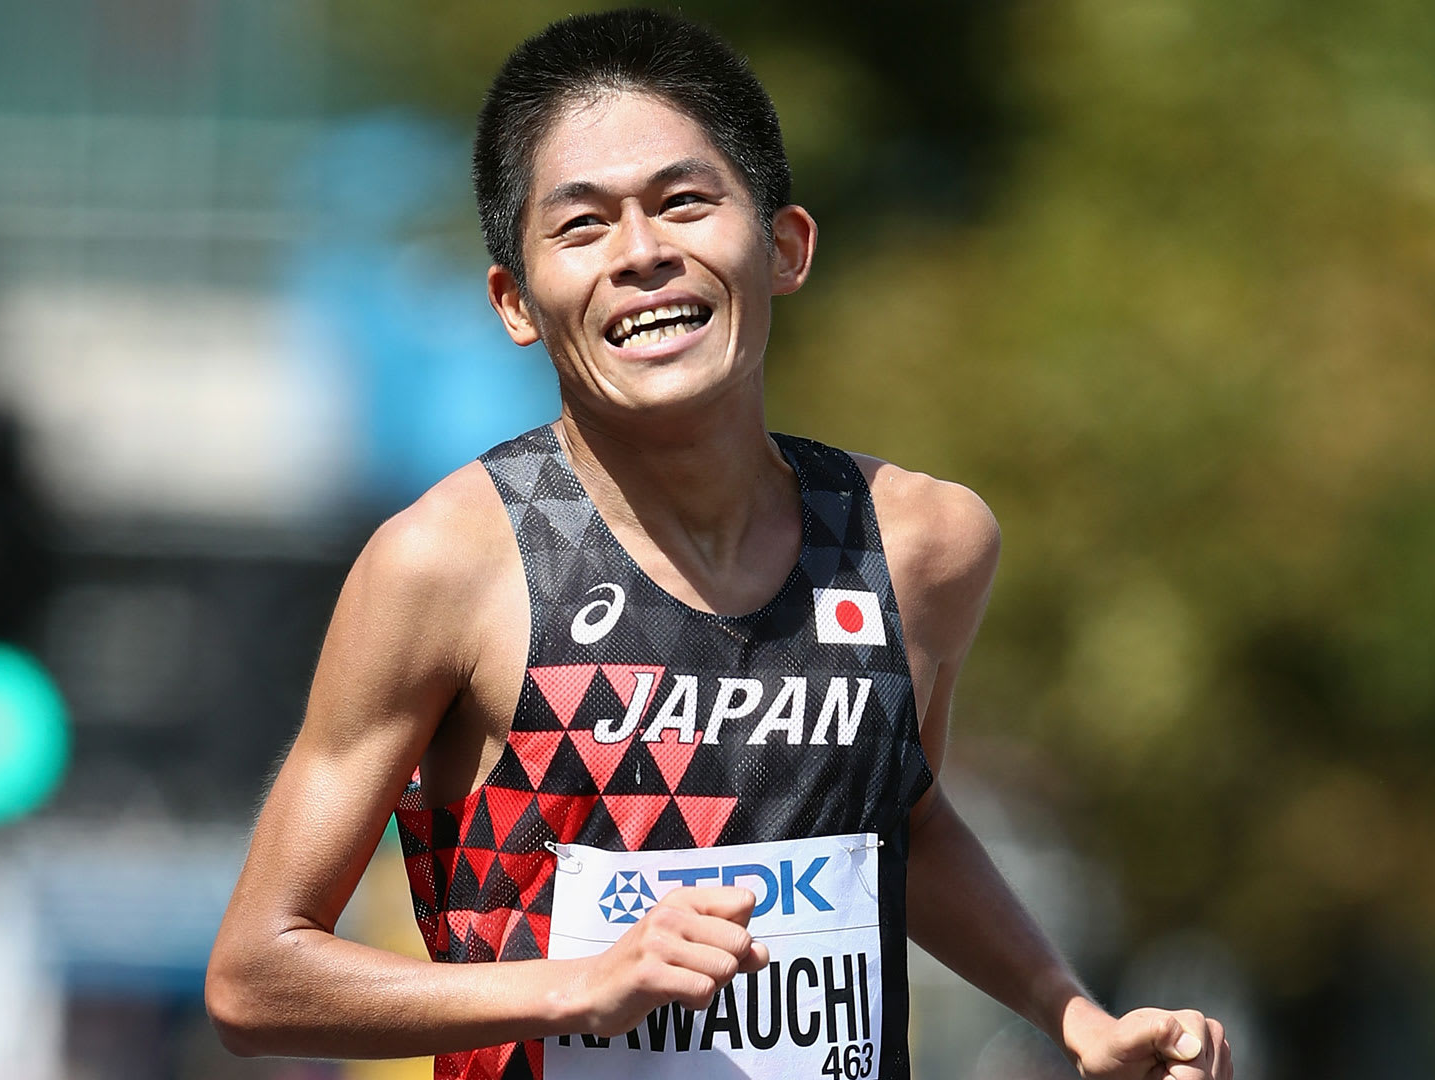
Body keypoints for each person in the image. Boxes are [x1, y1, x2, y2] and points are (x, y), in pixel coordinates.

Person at [206, 10, 1232, 1080]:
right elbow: (255, 976)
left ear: (784, 247)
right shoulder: (447, 566)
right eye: (582, 225)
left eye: (684, 203)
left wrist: (1074, 1015)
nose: (643, 254)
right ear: (515, 302)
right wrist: (579, 987)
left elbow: (906, 821)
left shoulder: (918, 545)